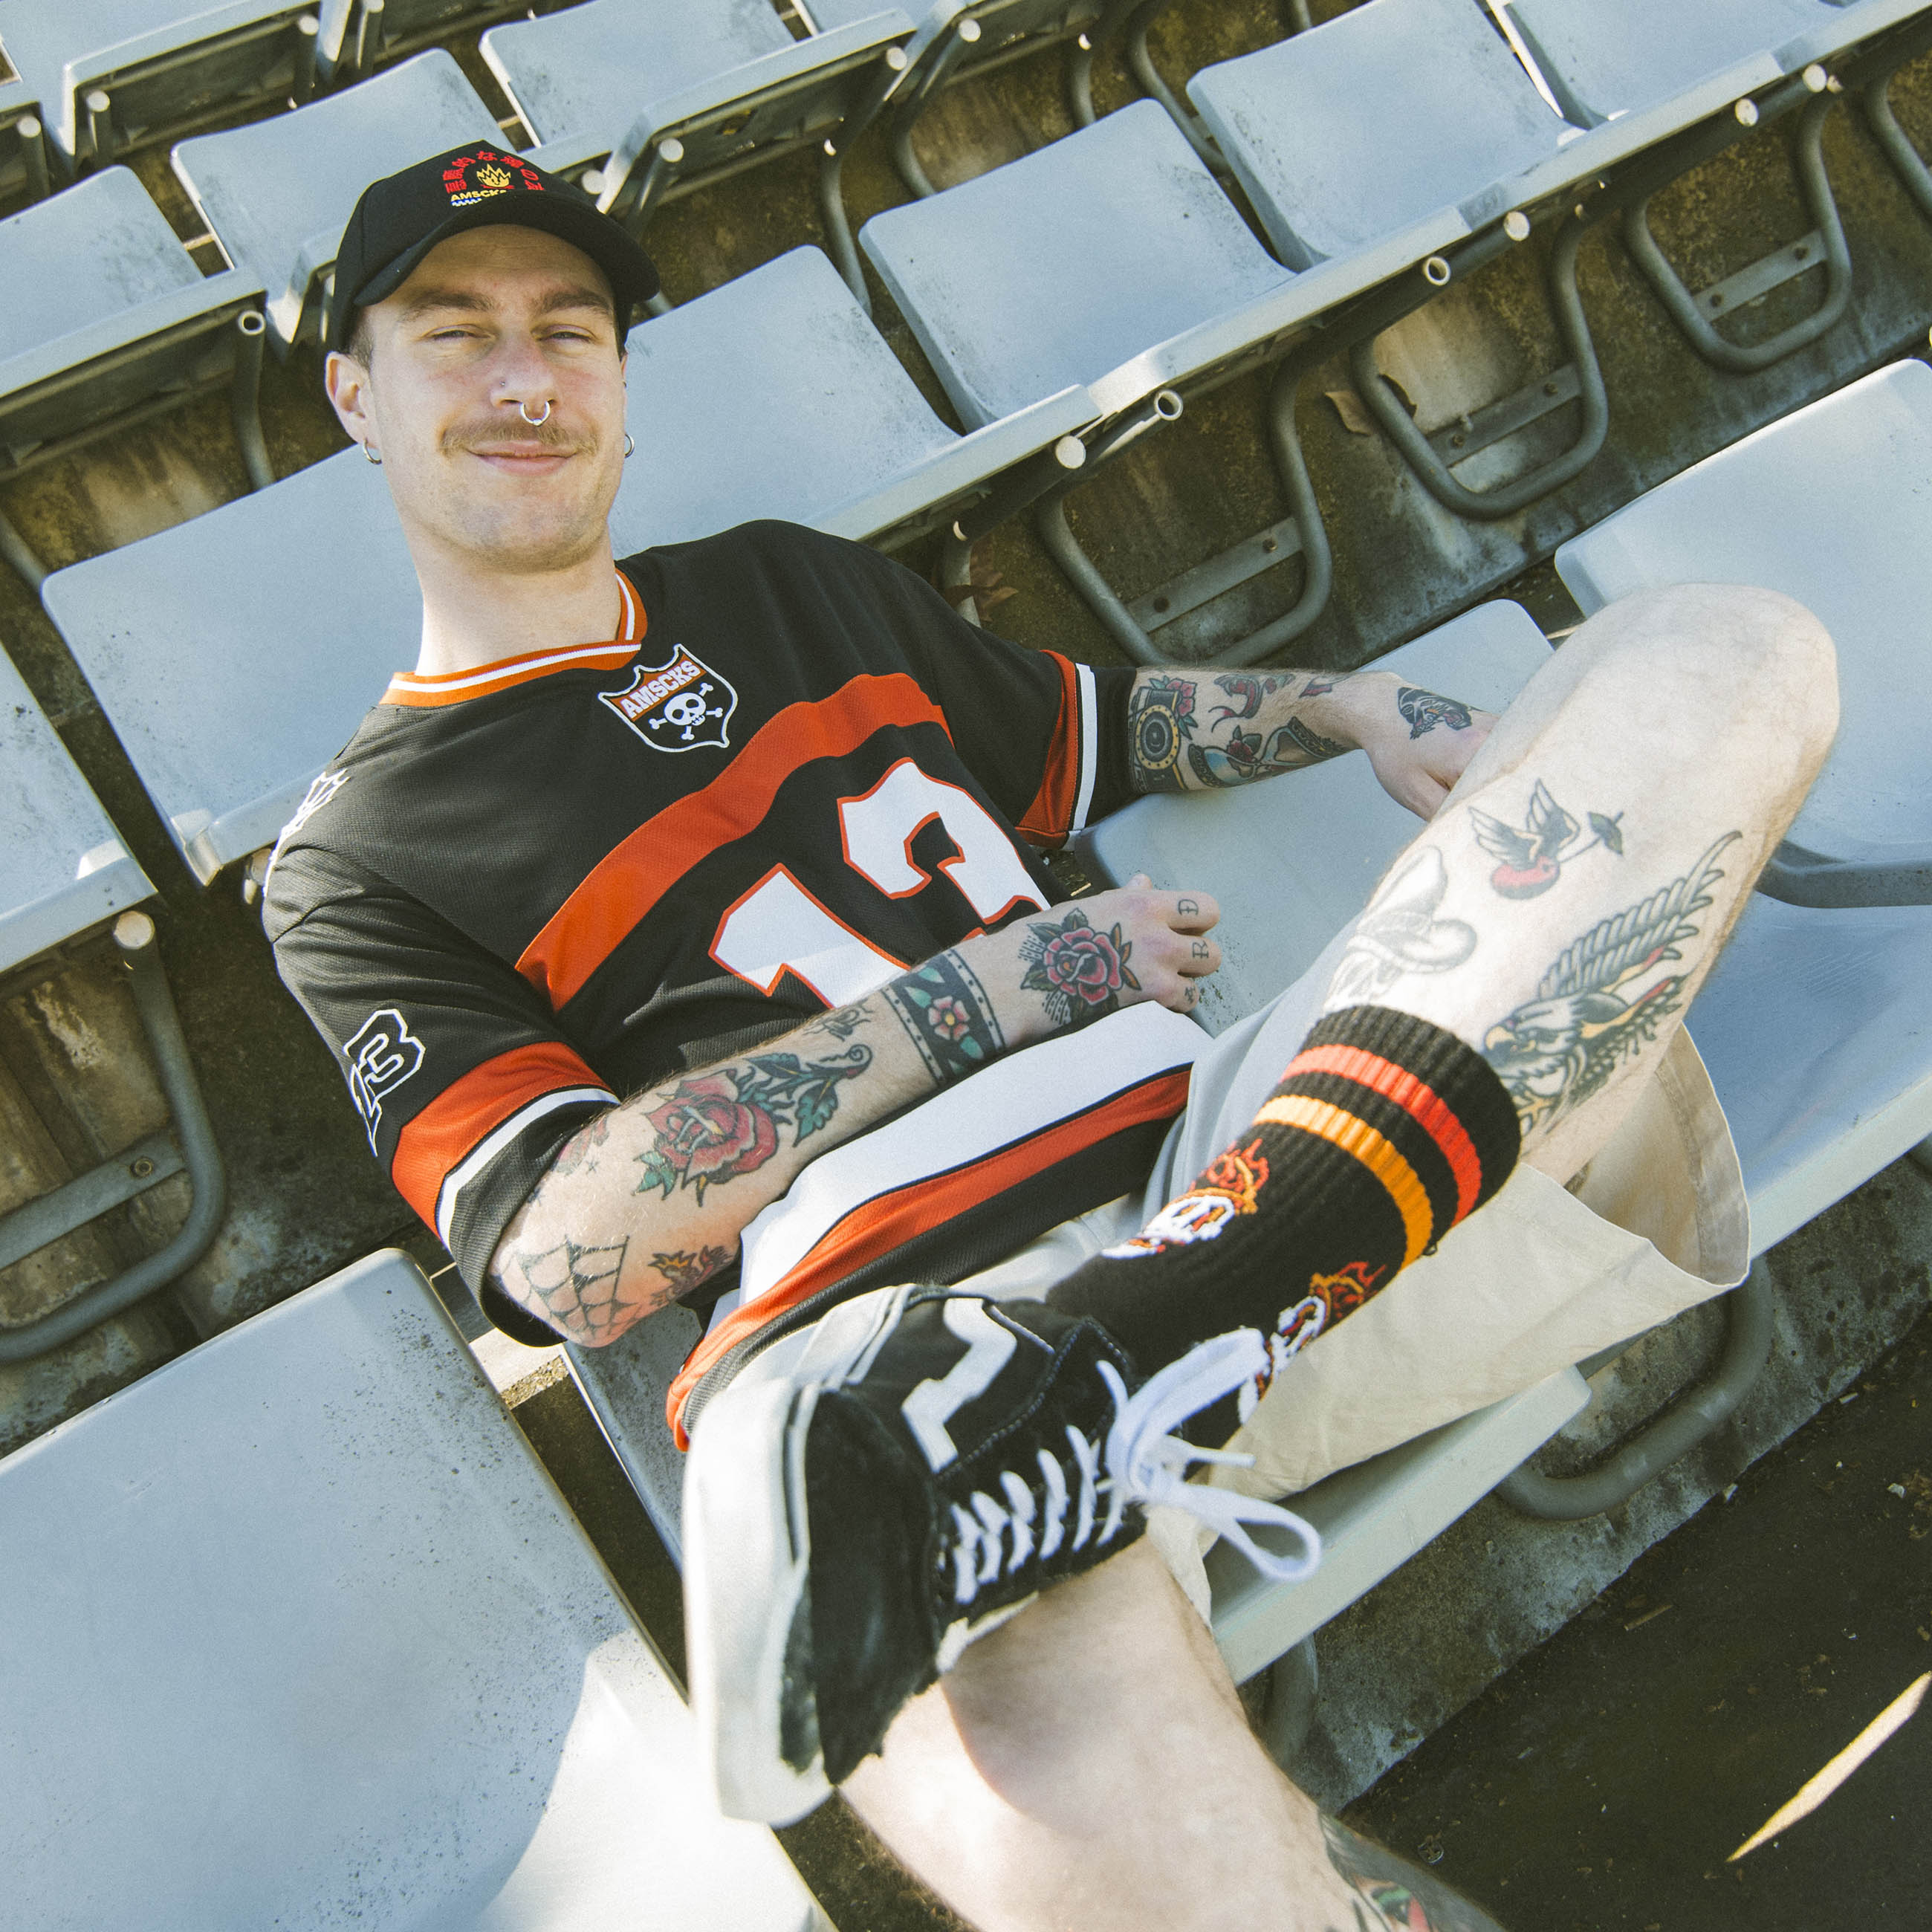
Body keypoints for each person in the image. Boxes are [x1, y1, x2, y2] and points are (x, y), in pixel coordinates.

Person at [266, 145, 1837, 1932]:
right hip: (896, 1353)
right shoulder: (356, 856)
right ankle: (1115, 1402)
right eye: (453, 333)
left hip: (1253, 1161)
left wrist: (1341, 705)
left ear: (622, 380)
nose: (526, 376)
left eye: (569, 329)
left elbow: (1105, 724)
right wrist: (992, 992)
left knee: (1720, 646)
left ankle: (1156, 1328)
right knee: (966, 1691)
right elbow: (563, 1256)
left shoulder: (785, 586)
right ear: (355, 395)